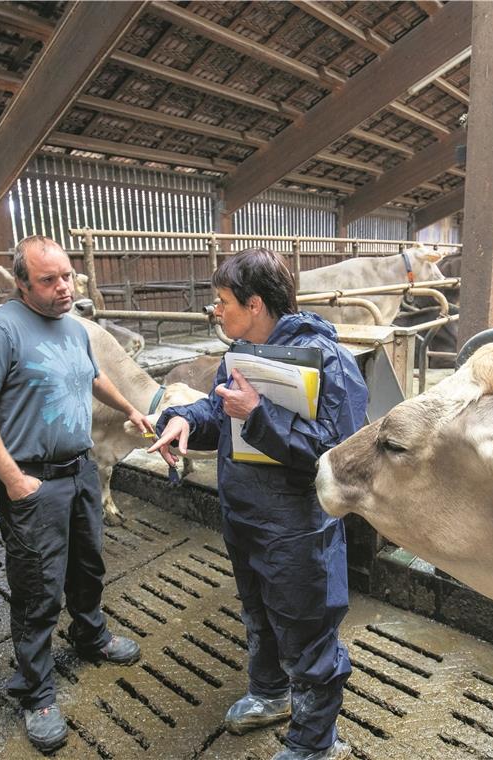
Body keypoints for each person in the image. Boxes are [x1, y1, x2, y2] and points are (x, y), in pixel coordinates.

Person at [149, 247, 368, 760]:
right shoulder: (241, 353)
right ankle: (270, 693)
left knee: (307, 630)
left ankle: (315, 743)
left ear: (253, 303)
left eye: (223, 302)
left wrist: (258, 415)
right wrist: (184, 418)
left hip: (296, 528)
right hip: (244, 516)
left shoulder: (329, 362)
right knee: (259, 614)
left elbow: (341, 455)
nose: (216, 311)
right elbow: (217, 409)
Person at [0, 235, 154, 754]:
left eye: (67, 276)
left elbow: (92, 376)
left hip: (80, 469)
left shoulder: (73, 327)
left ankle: (90, 634)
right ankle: (36, 689)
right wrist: (14, 481)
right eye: (49, 280)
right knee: (37, 587)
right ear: (21, 283)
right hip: (32, 478)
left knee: (88, 565)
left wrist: (130, 407)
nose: (63, 287)